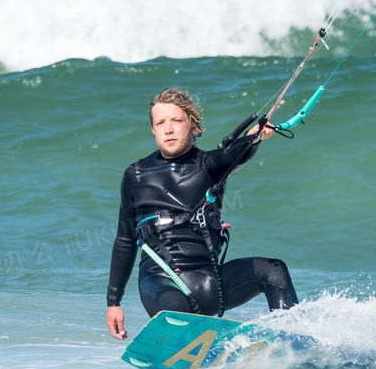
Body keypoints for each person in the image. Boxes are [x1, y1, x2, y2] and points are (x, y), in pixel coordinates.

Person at [106, 88, 299, 340]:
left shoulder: (209, 164)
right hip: (162, 281)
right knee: (177, 310)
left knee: (274, 270)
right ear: (153, 130)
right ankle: (187, 349)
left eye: (177, 120)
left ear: (194, 126)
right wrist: (113, 301)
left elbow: (235, 155)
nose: (168, 129)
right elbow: (124, 239)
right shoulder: (136, 174)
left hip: (211, 282)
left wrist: (255, 138)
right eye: (160, 123)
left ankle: (289, 342)